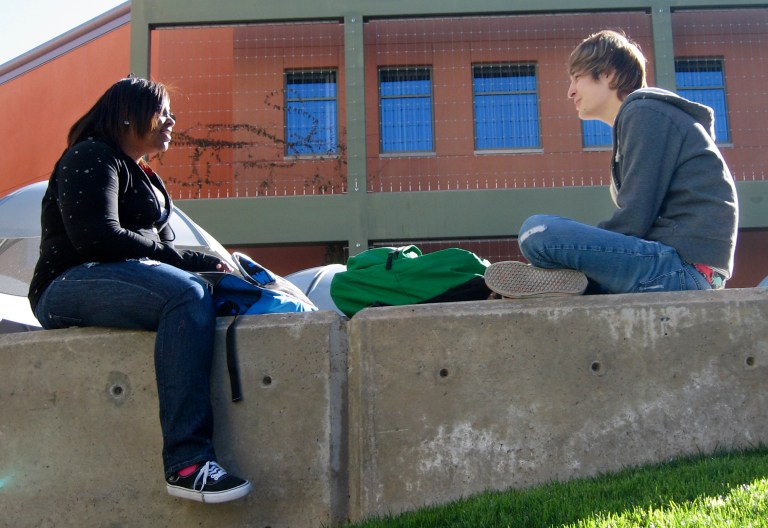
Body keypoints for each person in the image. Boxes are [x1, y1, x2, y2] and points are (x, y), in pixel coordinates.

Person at [28, 76, 252, 504]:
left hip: (119, 278)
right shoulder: (91, 156)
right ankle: (188, 464)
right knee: (185, 293)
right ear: (128, 113)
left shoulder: (142, 175)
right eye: (163, 111)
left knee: (204, 288)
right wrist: (188, 264)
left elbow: (160, 250)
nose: (173, 120)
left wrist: (207, 263)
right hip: (65, 285)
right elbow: (97, 238)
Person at [484, 29, 738, 298]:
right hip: (676, 267)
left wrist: (578, 256)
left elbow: (634, 217)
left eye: (577, 78)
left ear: (608, 74)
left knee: (536, 232)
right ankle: (570, 285)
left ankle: (569, 281)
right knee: (548, 243)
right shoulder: (642, 117)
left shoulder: (645, 112)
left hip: (681, 270)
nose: (570, 91)